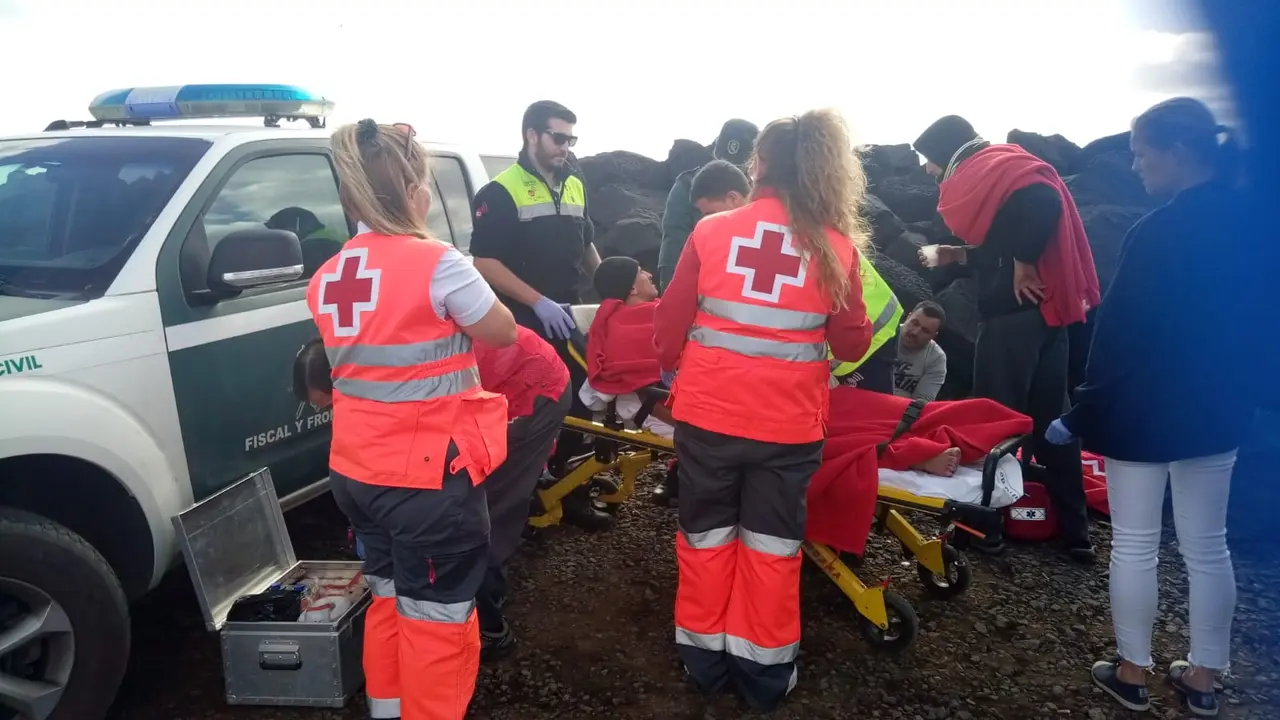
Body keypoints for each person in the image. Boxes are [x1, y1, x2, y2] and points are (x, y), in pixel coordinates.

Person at [654, 109, 874, 712]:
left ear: (759, 165)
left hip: (708, 419)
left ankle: (703, 661)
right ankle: (763, 674)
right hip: (788, 427)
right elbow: (853, 345)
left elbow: (667, 330)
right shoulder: (837, 248)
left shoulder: (711, 232)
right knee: (772, 547)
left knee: (705, 537)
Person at [1045, 98, 1249, 718]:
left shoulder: (1155, 233)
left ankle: (1132, 672)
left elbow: (1120, 338)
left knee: (1135, 544)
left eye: (1141, 153)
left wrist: (1079, 413)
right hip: (1217, 412)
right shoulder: (1252, 225)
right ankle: (1204, 680)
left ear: (1178, 155)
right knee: (1208, 546)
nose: (1135, 167)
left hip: (1142, 414)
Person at [309, 119, 518, 720]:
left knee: (390, 600)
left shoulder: (329, 277)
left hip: (355, 473)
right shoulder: (436, 261)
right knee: (439, 620)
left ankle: (388, 709)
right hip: (427, 479)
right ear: (412, 189)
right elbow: (500, 331)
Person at [913, 114, 1101, 562]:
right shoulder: (1002, 168)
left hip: (1011, 323)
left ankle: (984, 529)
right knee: (1051, 421)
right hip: (1047, 320)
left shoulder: (987, 166)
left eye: (927, 161)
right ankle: (1075, 534)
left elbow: (1040, 201)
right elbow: (1013, 225)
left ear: (946, 153)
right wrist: (960, 255)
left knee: (995, 420)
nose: (926, 170)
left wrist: (1023, 260)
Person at [471, 100, 598, 343]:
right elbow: (485, 262)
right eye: (558, 139)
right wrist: (538, 302)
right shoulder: (500, 191)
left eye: (570, 141)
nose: (565, 148)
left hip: (569, 314)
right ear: (532, 135)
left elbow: (586, 243)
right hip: (523, 320)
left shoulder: (574, 185)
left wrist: (610, 284)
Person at [656, 119, 760, 292]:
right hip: (702, 280)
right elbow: (673, 244)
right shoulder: (686, 186)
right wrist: (670, 290)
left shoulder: (758, 192)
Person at [581, 256, 676, 437]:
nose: (649, 274)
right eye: (640, 271)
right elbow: (633, 375)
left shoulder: (656, 313)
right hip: (661, 404)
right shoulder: (623, 327)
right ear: (632, 288)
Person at [893, 300, 947, 401]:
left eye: (925, 331)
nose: (915, 332)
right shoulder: (885, 333)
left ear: (933, 336)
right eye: (915, 323)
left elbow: (921, 402)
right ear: (908, 317)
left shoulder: (936, 358)